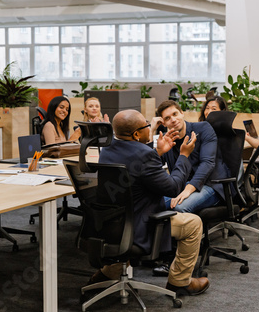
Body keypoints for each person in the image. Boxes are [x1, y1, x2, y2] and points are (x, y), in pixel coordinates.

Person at [97, 109, 210, 296]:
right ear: (136, 134)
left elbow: (134, 169)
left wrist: (157, 151)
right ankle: (180, 282)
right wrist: (184, 156)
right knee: (193, 223)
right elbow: (173, 188)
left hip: (111, 222)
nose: (149, 129)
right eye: (146, 126)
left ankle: (108, 272)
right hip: (140, 225)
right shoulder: (144, 154)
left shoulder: (107, 148)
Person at [150, 100, 230, 214]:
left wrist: (189, 189)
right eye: (167, 118)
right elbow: (149, 163)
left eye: (175, 114)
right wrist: (151, 131)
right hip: (181, 186)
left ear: (182, 113)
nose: (173, 120)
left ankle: (182, 231)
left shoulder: (203, 128)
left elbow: (207, 163)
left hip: (210, 184)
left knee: (179, 207)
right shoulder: (167, 140)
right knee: (148, 202)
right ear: (163, 123)